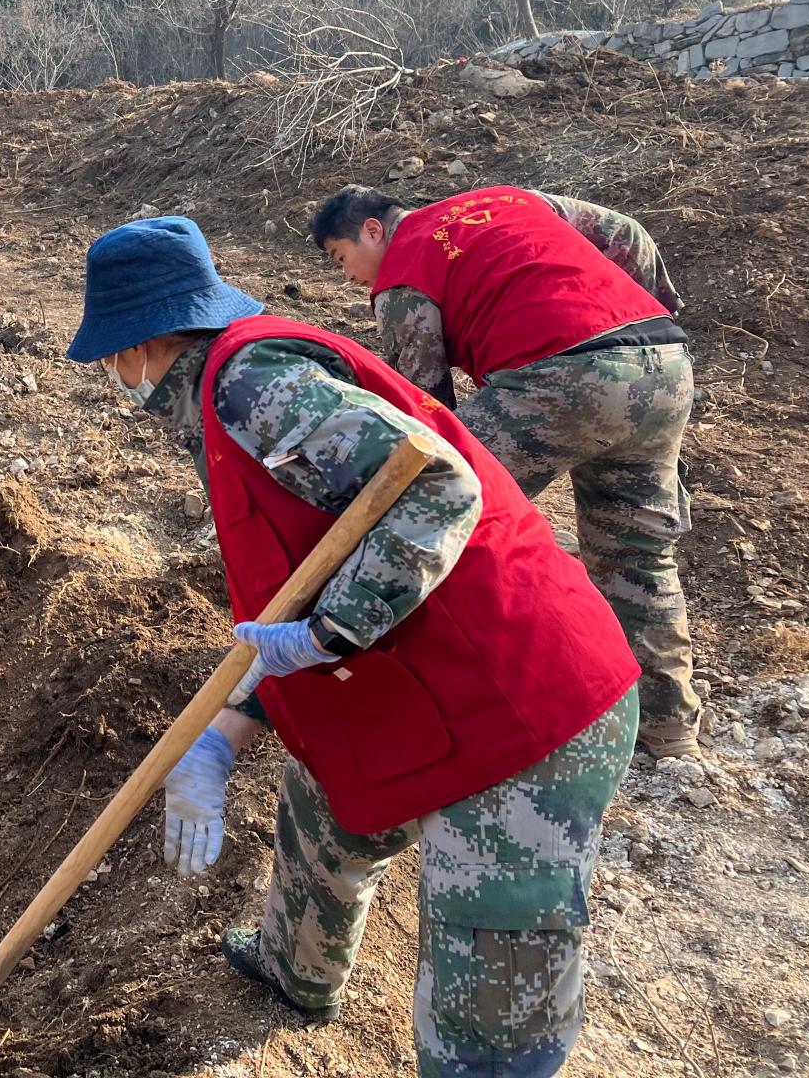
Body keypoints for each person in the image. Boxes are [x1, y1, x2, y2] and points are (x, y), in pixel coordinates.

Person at [68, 216, 639, 1077]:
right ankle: (295, 971)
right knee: (323, 804)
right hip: (415, 676)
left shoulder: (250, 385)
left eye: (112, 357)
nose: (115, 376)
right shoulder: (227, 406)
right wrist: (222, 737)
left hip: (523, 699)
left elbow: (438, 486)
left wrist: (332, 633)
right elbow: (293, 592)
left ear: (141, 345)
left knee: (488, 1005)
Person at [309, 183, 699, 758]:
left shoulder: (403, 273)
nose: (347, 276)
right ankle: (668, 728)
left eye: (341, 257)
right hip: (662, 363)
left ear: (373, 230)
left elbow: (423, 409)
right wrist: (647, 310)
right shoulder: (511, 200)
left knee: (435, 510)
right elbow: (628, 234)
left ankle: (459, 691)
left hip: (561, 379)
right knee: (637, 553)